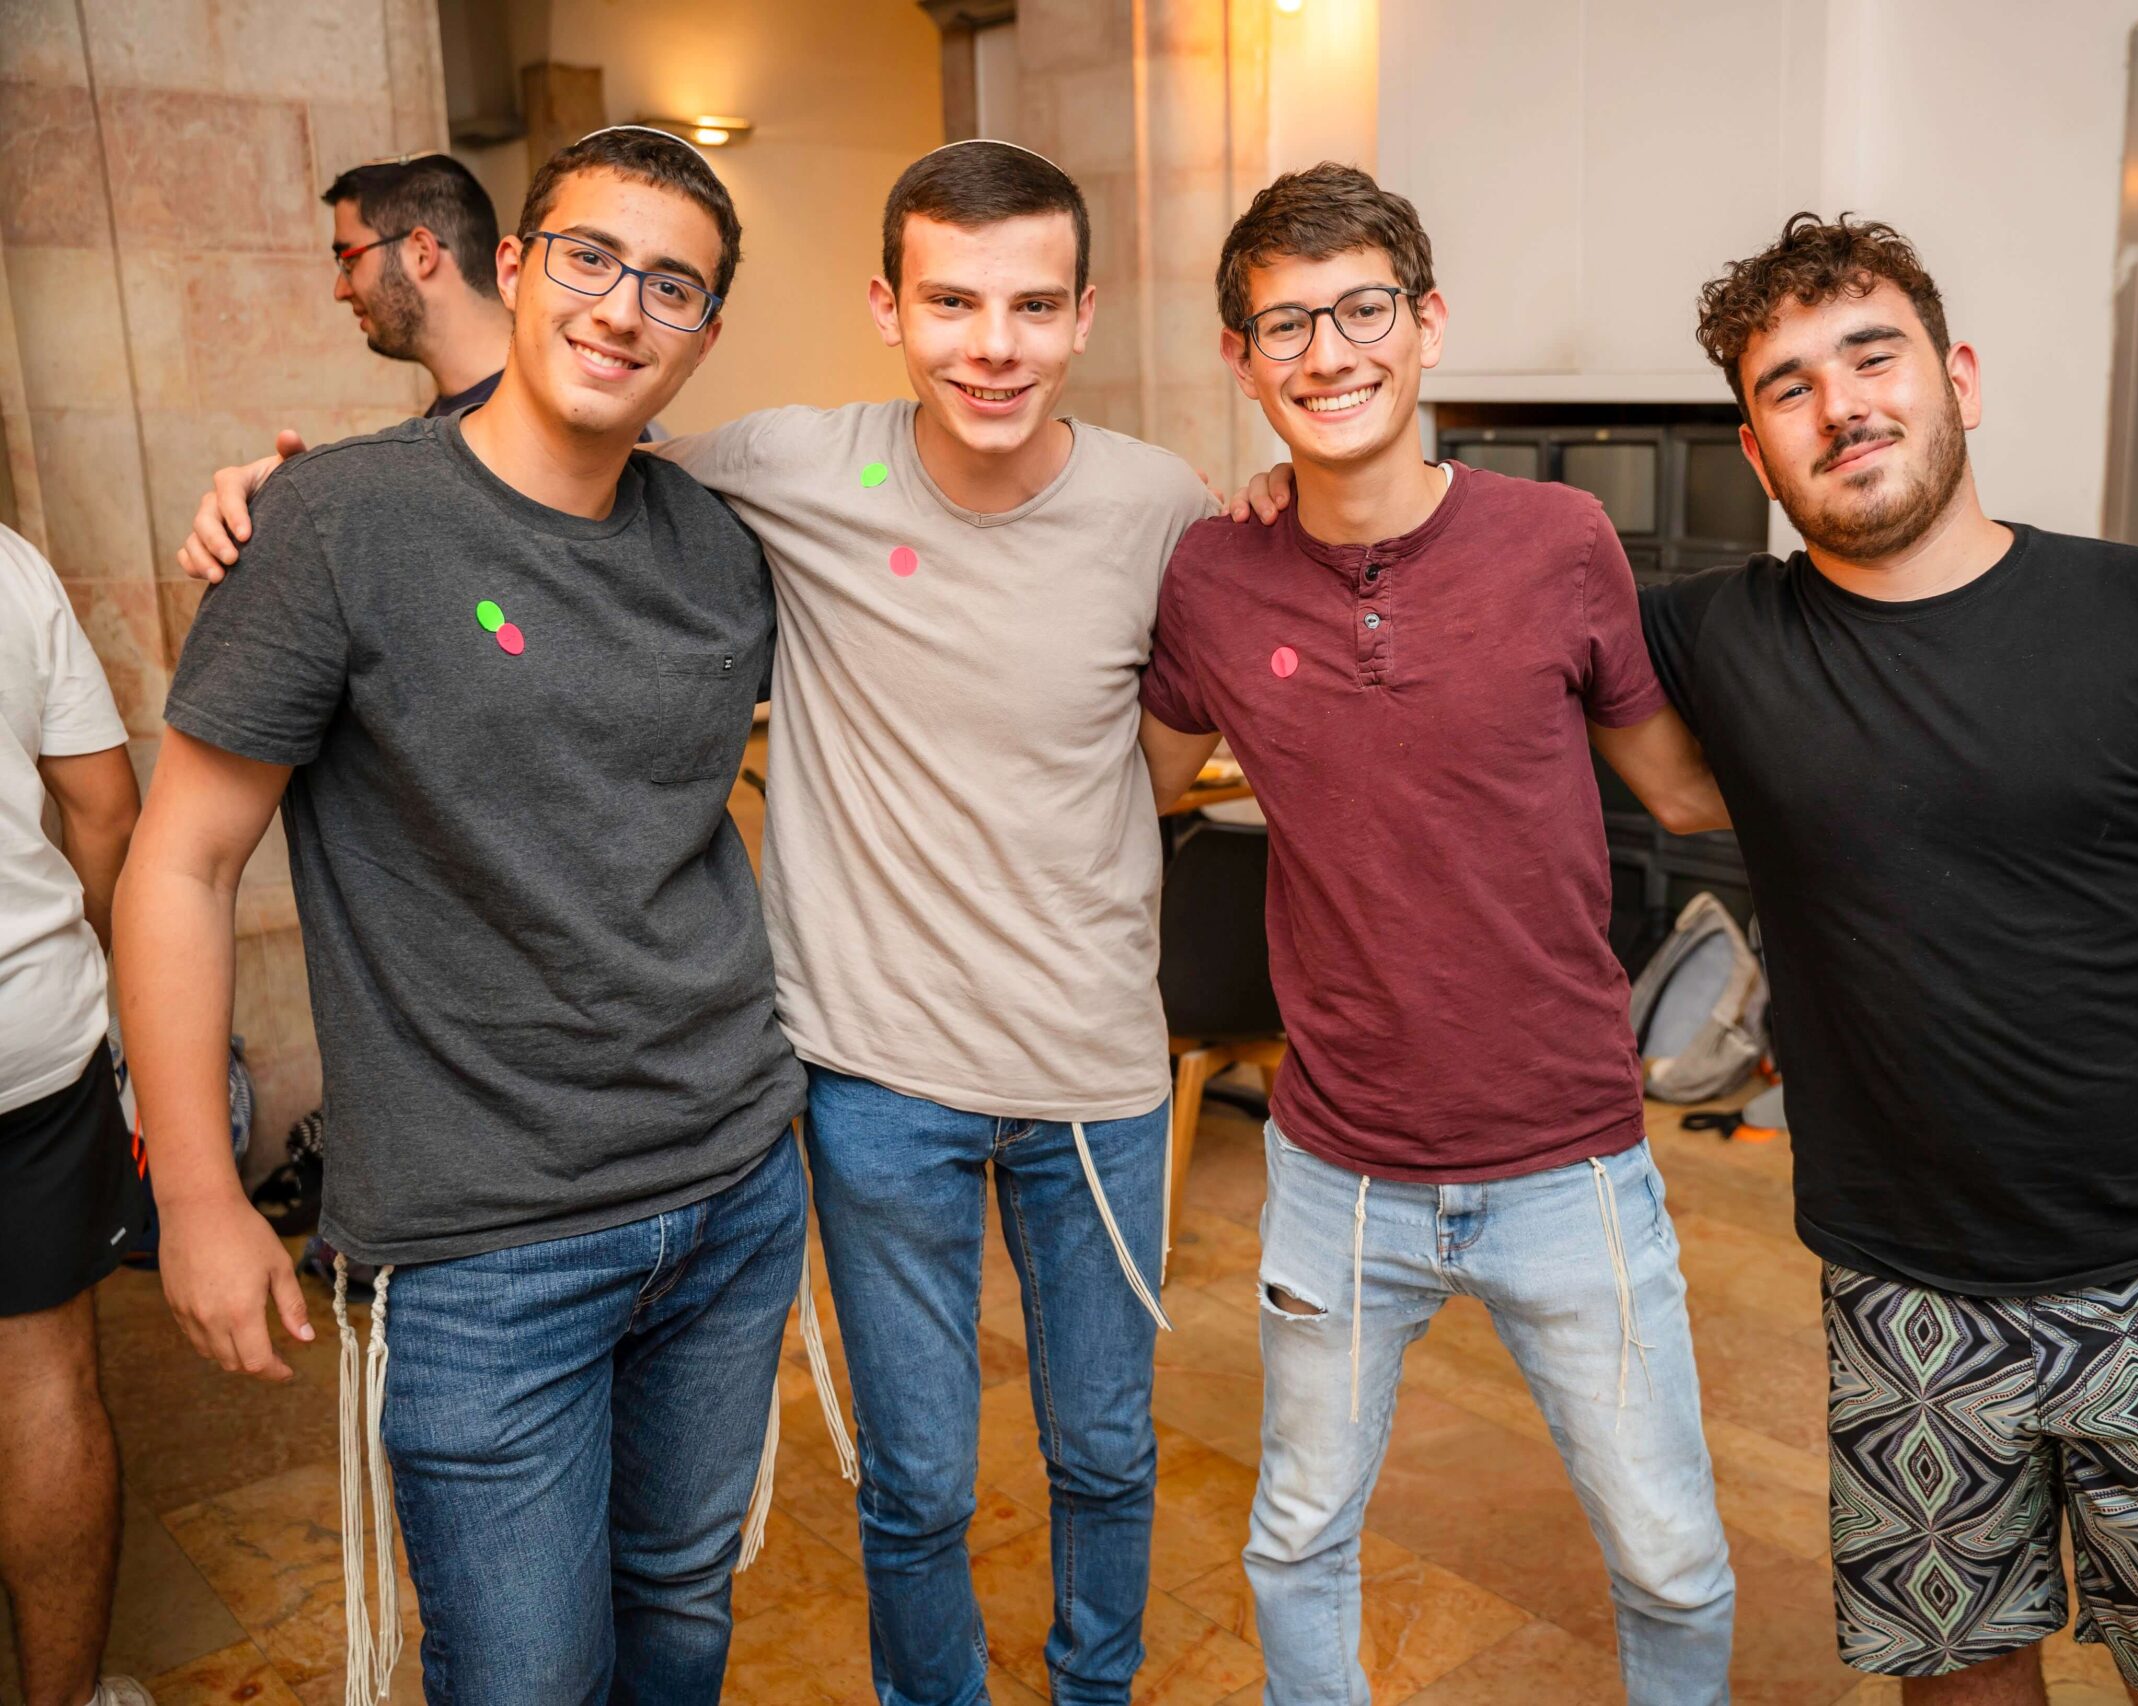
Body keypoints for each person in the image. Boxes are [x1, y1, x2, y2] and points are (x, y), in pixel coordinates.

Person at [178, 139, 1223, 1706]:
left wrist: (1293, 494)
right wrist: (284, 493)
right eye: (952, 300)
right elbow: (540, 448)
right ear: (886, 306)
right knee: (882, 1495)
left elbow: (1188, 707)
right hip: (792, 1111)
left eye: (1032, 305)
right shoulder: (777, 471)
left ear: (1086, 313)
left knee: (1062, 1467)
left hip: (937, 1115)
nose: (993, 343)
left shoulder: (1148, 504)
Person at [116, 128, 805, 1706]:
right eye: (590, 257)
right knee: (522, 1675)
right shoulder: (334, 524)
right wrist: (199, 1192)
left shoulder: (720, 545)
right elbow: (180, 864)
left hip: (730, 1190)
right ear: (512, 264)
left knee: (680, 1608)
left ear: (706, 334)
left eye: (674, 286)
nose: (623, 307)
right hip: (486, 1245)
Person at [1642, 215, 2138, 1705]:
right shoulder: (1720, 637)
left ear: (1957, 376)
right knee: (1957, 1678)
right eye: (1788, 387)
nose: (1841, 405)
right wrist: (1298, 493)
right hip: (1897, 1292)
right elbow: (1481, 598)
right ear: (1757, 454)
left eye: (1873, 355)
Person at [1140, 163, 1739, 1706]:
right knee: (1296, 1538)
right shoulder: (1213, 572)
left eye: (1363, 310)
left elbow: (1682, 790)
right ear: (1241, 358)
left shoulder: (1562, 539)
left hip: (1572, 1163)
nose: (1329, 351)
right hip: (1338, 1174)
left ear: (1427, 323)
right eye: (1287, 324)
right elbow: (1130, 787)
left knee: (1674, 1558)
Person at [0, 524, 148, 1706]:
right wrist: (90, 951)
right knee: (41, 1376)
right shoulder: (7, 565)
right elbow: (105, 809)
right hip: (22, 1031)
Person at [324, 153, 514, 418]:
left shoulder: (551, 415)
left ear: (422, 253)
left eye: (350, 259)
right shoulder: (441, 426)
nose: (340, 291)